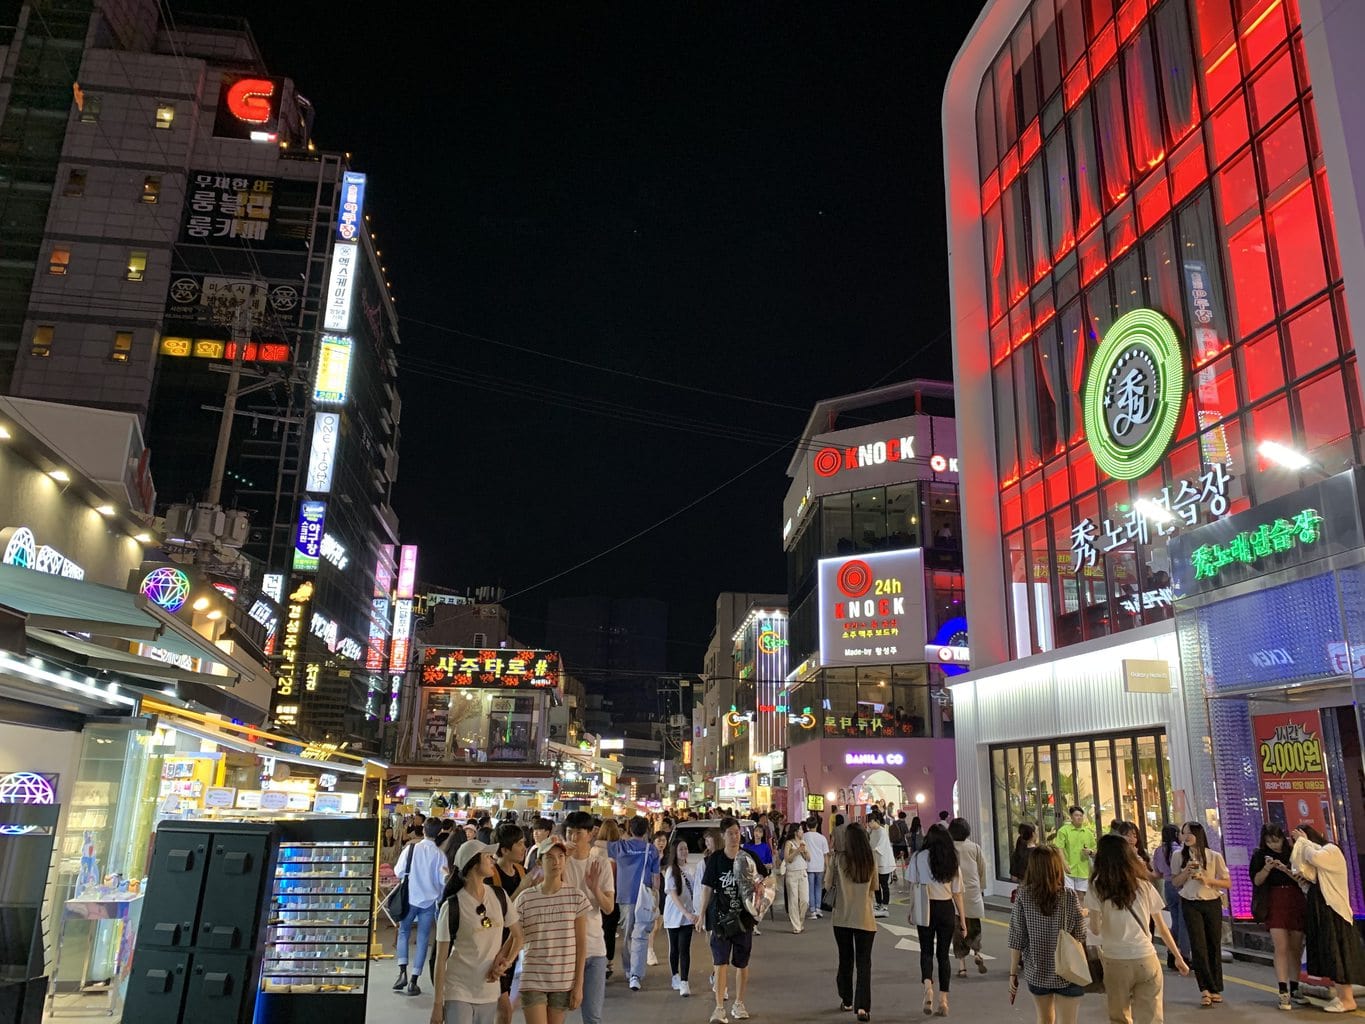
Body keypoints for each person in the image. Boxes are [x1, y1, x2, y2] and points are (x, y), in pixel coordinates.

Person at [1085, 834, 1189, 1024]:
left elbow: (1095, 929)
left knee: (1120, 1017)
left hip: (1115, 960)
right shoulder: (1142, 885)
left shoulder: (1096, 886)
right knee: (1151, 1018)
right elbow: (1162, 927)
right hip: (1146, 958)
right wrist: (1179, 958)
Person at [430, 840, 522, 1024]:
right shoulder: (453, 906)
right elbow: (440, 959)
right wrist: (437, 1004)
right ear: (472, 863)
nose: (493, 860)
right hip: (458, 989)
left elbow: (518, 936)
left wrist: (505, 961)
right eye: (488, 856)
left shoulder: (499, 896)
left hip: (489, 990)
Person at [696, 816, 770, 1024]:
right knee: (720, 963)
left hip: (744, 919)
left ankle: (739, 1003)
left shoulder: (749, 857)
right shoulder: (716, 859)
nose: (734, 837)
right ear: (723, 835)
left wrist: (760, 896)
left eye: (737, 833)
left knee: (742, 963)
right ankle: (719, 1008)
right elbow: (707, 888)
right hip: (720, 919)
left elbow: (763, 879)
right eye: (730, 833)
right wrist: (701, 913)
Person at [1008, 846, 1088, 1024]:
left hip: (1038, 971)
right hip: (1069, 971)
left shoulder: (1024, 896)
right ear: (1056, 867)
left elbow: (1017, 937)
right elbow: (1081, 934)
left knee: (1044, 1020)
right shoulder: (1069, 896)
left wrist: (1013, 973)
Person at [1290, 823, 1365, 1013]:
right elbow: (1313, 876)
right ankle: (1342, 997)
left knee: (1338, 954)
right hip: (1323, 913)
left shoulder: (1332, 850)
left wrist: (1303, 843)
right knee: (1331, 956)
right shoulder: (1318, 858)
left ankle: (1347, 999)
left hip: (1336, 913)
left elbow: (1315, 857)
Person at [513, 837, 589, 1024]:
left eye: (561, 856)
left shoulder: (576, 897)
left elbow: (581, 945)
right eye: (550, 858)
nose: (556, 862)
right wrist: (503, 960)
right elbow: (516, 938)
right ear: (539, 862)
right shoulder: (525, 898)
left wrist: (578, 985)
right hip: (532, 975)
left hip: (563, 979)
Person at [561, 811, 614, 1024]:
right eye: (569, 833)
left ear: (590, 834)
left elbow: (609, 908)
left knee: (592, 1016)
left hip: (594, 949)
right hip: (564, 950)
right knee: (557, 1013)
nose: (573, 838)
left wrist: (594, 888)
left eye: (578, 833)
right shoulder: (558, 862)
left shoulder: (600, 864)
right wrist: (561, 860)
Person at [909, 823, 966, 1017]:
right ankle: (943, 1000)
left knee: (926, 950)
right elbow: (957, 893)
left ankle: (928, 987)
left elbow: (913, 886)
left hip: (926, 907)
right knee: (943, 955)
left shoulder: (918, 857)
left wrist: (912, 909)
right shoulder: (952, 859)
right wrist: (963, 922)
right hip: (946, 908)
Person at [1171, 821, 1230, 1007]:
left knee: (1213, 944)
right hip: (1190, 902)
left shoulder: (1214, 856)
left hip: (1212, 902)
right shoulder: (1178, 856)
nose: (1186, 836)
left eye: (1190, 833)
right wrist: (1186, 872)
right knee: (1198, 946)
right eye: (1183, 833)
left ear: (1199, 834)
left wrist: (1207, 879)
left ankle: (1215, 987)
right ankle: (1204, 989)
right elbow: (1175, 882)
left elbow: (1227, 883)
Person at [1250, 824, 1306, 1010]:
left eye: (1276, 840)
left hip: (1295, 899)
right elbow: (1256, 881)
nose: (1273, 845)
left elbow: (1303, 878)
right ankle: (1283, 991)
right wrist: (1267, 869)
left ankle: (1295, 986)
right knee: (1280, 945)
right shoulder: (1259, 855)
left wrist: (1284, 869)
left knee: (1296, 946)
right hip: (1273, 900)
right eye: (1269, 841)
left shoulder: (1293, 852)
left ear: (1283, 838)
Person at [395, 818, 450, 996]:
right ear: (439, 833)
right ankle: (413, 980)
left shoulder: (411, 849)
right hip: (429, 902)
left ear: (424, 830)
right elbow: (443, 881)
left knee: (403, 932)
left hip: (409, 898)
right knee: (423, 938)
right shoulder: (440, 855)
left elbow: (398, 872)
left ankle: (402, 971)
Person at [607, 815, 660, 990]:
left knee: (628, 934)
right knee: (642, 935)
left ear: (630, 830)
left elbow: (599, 844)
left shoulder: (620, 846)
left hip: (625, 896)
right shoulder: (651, 849)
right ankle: (636, 973)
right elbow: (655, 878)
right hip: (644, 897)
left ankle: (630, 970)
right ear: (646, 830)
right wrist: (656, 898)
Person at [832, 823, 878, 1021]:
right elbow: (874, 887)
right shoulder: (870, 859)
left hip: (842, 917)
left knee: (845, 959)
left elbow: (827, 884)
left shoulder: (838, 860)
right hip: (865, 918)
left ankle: (847, 998)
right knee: (864, 963)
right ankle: (862, 1007)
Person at [490, 823, 529, 1024]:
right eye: (519, 844)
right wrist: (522, 888)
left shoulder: (522, 871)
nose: (524, 848)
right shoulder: (490, 874)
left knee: (504, 1009)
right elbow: (499, 912)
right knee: (504, 1009)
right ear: (504, 850)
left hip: (513, 945)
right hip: (493, 947)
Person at [948, 817, 989, 976]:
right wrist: (980, 888)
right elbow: (982, 869)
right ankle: (977, 953)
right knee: (974, 927)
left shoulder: (949, 848)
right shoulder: (975, 847)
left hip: (955, 893)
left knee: (958, 930)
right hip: (973, 893)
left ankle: (962, 967)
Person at [662, 834, 699, 996]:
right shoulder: (671, 870)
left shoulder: (691, 868)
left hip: (688, 916)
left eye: (685, 848)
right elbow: (673, 895)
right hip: (673, 915)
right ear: (675, 852)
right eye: (681, 849)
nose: (684, 851)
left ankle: (684, 981)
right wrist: (685, 912)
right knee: (675, 948)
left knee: (685, 948)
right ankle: (675, 976)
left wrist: (694, 913)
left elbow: (696, 892)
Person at [1151, 824, 1191, 971]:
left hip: (1167, 886)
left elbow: (1157, 873)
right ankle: (1184, 955)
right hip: (1181, 885)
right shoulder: (1179, 851)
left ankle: (1171, 954)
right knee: (1184, 922)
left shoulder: (1157, 851)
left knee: (1175, 921)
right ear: (1176, 834)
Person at [592, 818, 622, 978]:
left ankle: (599, 961)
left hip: (596, 894)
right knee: (610, 930)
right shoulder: (620, 850)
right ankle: (608, 962)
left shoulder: (594, 850)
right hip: (614, 894)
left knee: (598, 928)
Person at [1055, 807, 1096, 892]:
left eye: (1081, 815)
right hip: (1068, 869)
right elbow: (1059, 848)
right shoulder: (1063, 831)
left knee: (1081, 896)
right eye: (1076, 815)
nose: (1079, 817)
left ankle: (1079, 906)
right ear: (1071, 817)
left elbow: (1095, 849)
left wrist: (1090, 852)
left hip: (1083, 869)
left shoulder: (1088, 833)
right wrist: (1064, 864)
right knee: (1069, 895)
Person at [780, 823, 809, 933]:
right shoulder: (789, 843)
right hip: (792, 874)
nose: (803, 832)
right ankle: (796, 926)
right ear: (796, 832)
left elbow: (809, 858)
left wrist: (805, 850)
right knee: (793, 901)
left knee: (805, 900)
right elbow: (787, 859)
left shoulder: (803, 843)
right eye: (801, 829)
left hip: (803, 873)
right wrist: (797, 851)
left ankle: (800, 922)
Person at [867, 811, 895, 917]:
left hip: (884, 862)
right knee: (876, 884)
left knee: (884, 884)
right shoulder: (873, 832)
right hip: (876, 862)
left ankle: (885, 904)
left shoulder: (882, 831)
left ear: (874, 821)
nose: (868, 825)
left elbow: (879, 847)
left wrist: (872, 850)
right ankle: (878, 903)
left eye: (869, 823)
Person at [648, 830, 669, 967]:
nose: (661, 843)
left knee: (658, 925)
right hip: (651, 891)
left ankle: (648, 948)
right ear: (653, 841)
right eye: (659, 841)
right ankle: (649, 951)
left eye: (663, 841)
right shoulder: (649, 855)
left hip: (664, 891)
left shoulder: (667, 856)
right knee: (653, 924)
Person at [803, 818, 829, 921]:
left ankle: (812, 910)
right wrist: (827, 866)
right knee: (818, 887)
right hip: (820, 866)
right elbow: (825, 854)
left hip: (808, 866)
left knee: (810, 888)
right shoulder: (822, 838)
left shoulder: (804, 837)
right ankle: (818, 909)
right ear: (817, 825)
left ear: (807, 826)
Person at [890, 811, 912, 883]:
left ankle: (894, 874)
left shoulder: (894, 823)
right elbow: (907, 834)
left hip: (895, 844)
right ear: (904, 817)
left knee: (895, 859)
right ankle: (908, 874)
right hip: (902, 844)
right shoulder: (904, 824)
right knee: (906, 859)